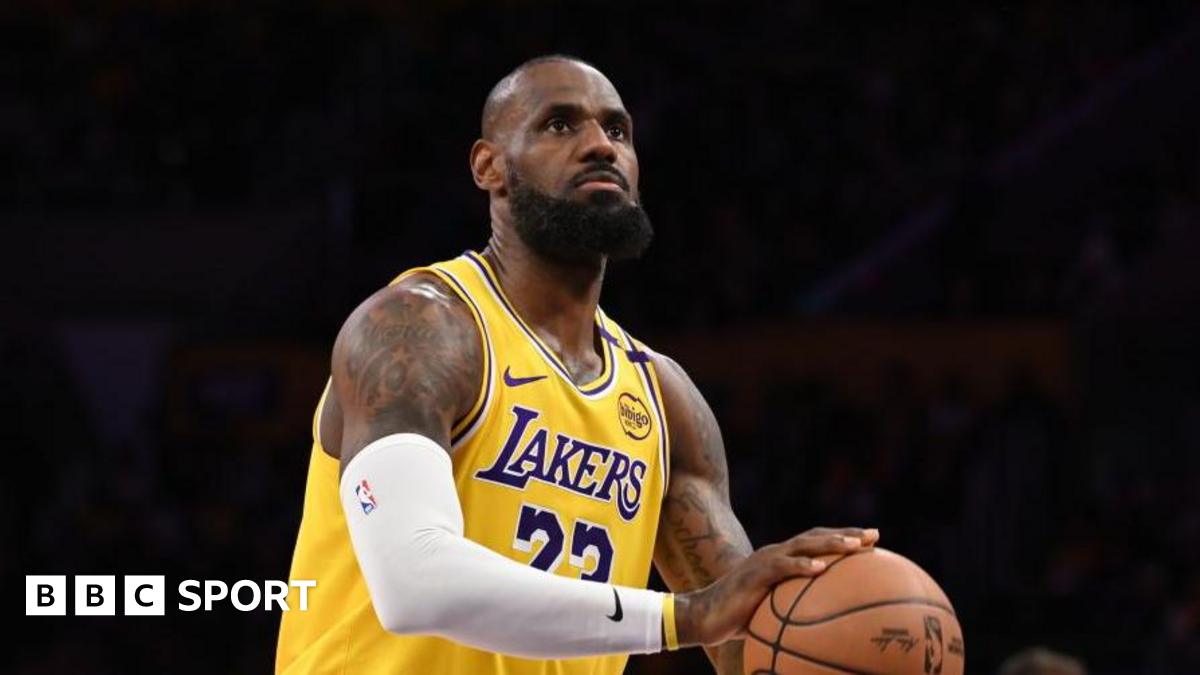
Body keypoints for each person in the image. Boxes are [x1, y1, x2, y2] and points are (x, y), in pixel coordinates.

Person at [275, 54, 878, 675]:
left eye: (617, 130)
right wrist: (684, 616)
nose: (599, 145)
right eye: (560, 125)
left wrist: (856, 633)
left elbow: (746, 643)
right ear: (489, 167)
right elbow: (413, 583)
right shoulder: (420, 329)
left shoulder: (662, 399)